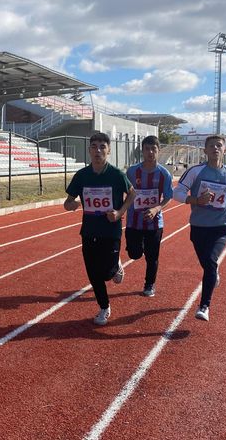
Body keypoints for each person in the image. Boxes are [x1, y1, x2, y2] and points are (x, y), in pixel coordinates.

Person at [64, 132, 135, 326]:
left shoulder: (116, 174)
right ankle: (104, 307)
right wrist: (73, 203)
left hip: (111, 231)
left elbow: (132, 194)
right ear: (89, 151)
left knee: (106, 273)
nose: (98, 151)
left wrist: (120, 213)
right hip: (89, 231)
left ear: (108, 150)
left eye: (102, 147)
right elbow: (68, 202)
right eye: (94, 146)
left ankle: (116, 266)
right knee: (93, 273)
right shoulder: (82, 175)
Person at [172, 135, 226, 322]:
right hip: (199, 225)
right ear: (205, 151)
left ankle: (204, 305)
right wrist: (195, 200)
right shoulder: (196, 172)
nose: (215, 149)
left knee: (211, 262)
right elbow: (177, 193)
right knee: (207, 263)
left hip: (222, 225)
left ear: (225, 150)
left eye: (219, 146)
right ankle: (213, 274)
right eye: (211, 146)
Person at [125, 135, 174, 297]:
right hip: (133, 221)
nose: (150, 152)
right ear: (142, 150)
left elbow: (168, 196)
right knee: (134, 254)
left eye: (154, 149)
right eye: (147, 149)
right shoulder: (132, 172)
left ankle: (149, 284)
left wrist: (157, 209)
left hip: (154, 223)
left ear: (158, 151)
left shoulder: (164, 174)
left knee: (152, 257)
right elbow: (125, 192)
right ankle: (139, 248)